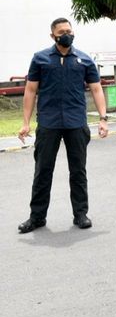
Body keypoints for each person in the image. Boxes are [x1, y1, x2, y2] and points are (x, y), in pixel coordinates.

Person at [17, 18, 109, 234]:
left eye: (69, 30)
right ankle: (37, 217)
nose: (67, 34)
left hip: (76, 122)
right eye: (62, 31)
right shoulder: (40, 59)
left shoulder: (84, 60)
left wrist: (103, 119)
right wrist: (25, 123)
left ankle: (80, 214)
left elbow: (96, 89)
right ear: (53, 36)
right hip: (48, 123)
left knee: (78, 171)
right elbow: (30, 90)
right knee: (42, 171)